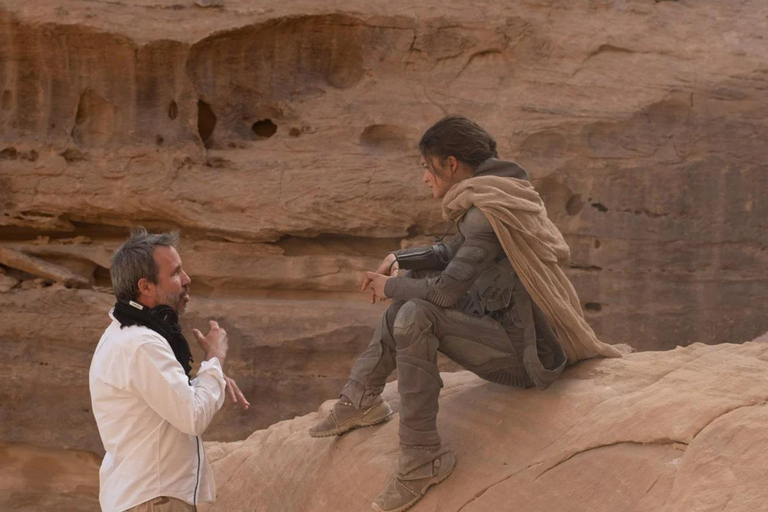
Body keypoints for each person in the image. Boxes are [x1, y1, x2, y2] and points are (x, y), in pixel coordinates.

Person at [309, 116, 621, 512]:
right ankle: (360, 402)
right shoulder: (498, 195)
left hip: (524, 357)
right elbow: (450, 254)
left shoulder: (487, 211)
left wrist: (388, 286)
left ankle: (421, 459)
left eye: (427, 166)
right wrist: (398, 258)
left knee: (414, 312)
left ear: (450, 164)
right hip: (504, 330)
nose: (425, 178)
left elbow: (444, 293)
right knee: (411, 290)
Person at [89, 228, 250, 512]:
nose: (187, 280)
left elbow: (173, 401)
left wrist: (209, 376)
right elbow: (193, 416)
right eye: (175, 273)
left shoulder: (127, 336)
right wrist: (214, 357)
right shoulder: (141, 344)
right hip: (154, 502)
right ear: (146, 286)